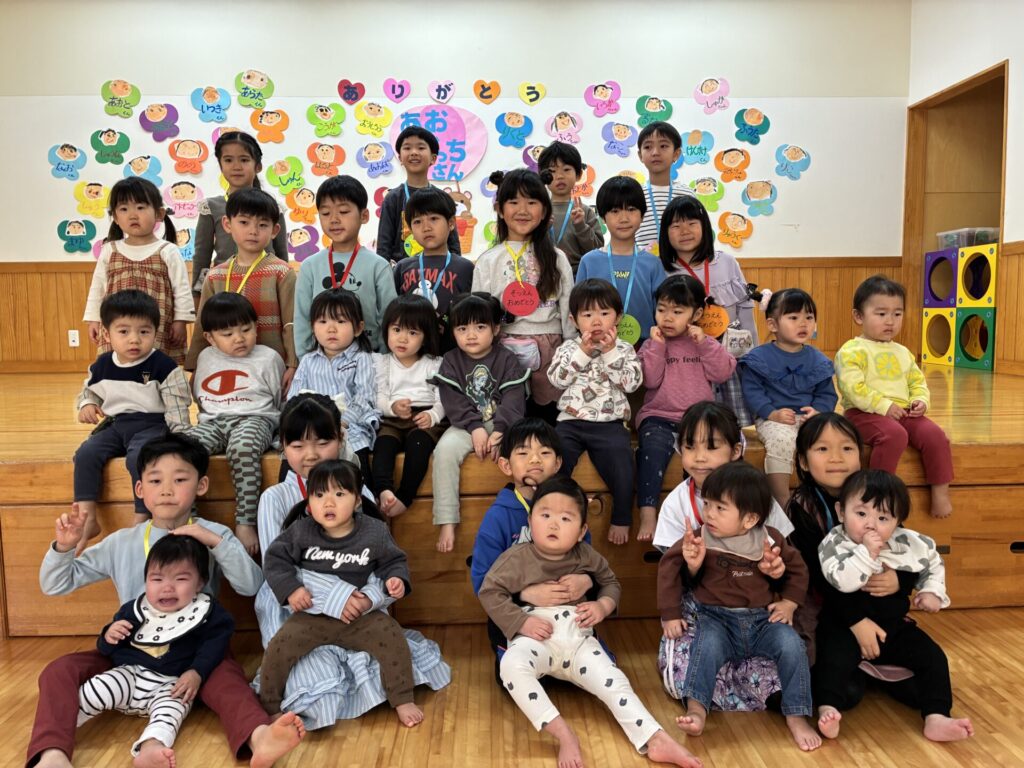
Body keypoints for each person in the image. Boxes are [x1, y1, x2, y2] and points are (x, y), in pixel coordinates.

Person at [29, 434, 304, 768]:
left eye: (180, 479)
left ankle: (259, 738)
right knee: (58, 671)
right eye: (156, 480)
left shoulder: (213, 533)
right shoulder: (121, 542)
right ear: (140, 489)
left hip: (195, 654)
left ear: (201, 485)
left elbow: (251, 586)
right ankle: (52, 754)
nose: (167, 490)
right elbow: (56, 583)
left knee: (229, 680)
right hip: (130, 653)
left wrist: (215, 542)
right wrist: (64, 547)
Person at [254, 395, 449, 729]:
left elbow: (382, 559)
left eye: (323, 442)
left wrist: (370, 597)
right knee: (305, 678)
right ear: (283, 446)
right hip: (302, 608)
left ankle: (400, 697)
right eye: (297, 445)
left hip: (360, 610)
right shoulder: (275, 498)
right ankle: (269, 705)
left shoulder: (361, 495)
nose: (311, 455)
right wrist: (336, 598)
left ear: (341, 438)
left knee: (390, 646)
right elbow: (279, 567)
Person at [479, 476, 702, 768]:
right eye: (545, 515)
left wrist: (602, 605)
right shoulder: (516, 558)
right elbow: (489, 592)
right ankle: (563, 734)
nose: (553, 524)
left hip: (578, 641)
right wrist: (521, 622)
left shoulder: (586, 555)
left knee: (615, 681)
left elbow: (611, 583)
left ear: (582, 530)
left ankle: (655, 738)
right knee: (511, 667)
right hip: (535, 639)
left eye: (565, 518)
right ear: (530, 521)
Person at [657, 462, 821, 751]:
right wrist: (670, 613)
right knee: (705, 648)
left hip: (761, 620)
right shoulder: (700, 536)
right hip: (714, 618)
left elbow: (798, 569)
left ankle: (797, 714)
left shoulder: (769, 539)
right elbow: (669, 568)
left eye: (720, 508)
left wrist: (789, 602)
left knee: (792, 644)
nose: (709, 513)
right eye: (707, 504)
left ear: (749, 519)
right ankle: (697, 708)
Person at [653, 401, 794, 713]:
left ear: (736, 451)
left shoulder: (758, 497)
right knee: (689, 664)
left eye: (712, 446)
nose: (699, 457)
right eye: (690, 446)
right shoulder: (677, 503)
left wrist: (776, 571)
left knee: (781, 658)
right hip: (700, 607)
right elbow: (672, 573)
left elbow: (784, 559)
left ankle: (768, 694)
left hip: (751, 606)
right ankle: (701, 700)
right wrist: (693, 568)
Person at [815, 470, 973, 742]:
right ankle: (827, 708)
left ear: (898, 522)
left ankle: (936, 716)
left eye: (883, 518)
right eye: (861, 514)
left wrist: (932, 591)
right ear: (841, 512)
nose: (871, 525)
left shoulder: (906, 543)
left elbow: (932, 562)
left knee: (933, 656)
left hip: (893, 628)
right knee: (833, 659)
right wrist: (866, 553)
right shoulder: (834, 542)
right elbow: (842, 582)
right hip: (847, 628)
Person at [78, 535, 234, 764]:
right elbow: (106, 650)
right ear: (146, 581)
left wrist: (197, 672)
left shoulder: (209, 613)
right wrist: (108, 636)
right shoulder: (134, 610)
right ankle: (62, 726)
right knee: (96, 688)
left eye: (181, 579)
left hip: (172, 684)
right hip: (129, 675)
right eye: (157, 579)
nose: (167, 588)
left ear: (200, 582)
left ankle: (151, 747)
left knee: (171, 713)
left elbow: (215, 645)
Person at [73, 290, 191, 552]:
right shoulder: (102, 365)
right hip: (116, 425)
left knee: (138, 456)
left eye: (144, 332)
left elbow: (177, 405)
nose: (134, 339)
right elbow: (89, 391)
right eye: (124, 331)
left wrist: (180, 438)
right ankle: (88, 515)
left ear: (155, 333)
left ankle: (142, 514)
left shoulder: (163, 365)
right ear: (107, 334)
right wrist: (87, 404)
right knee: (86, 453)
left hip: (152, 425)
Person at [834, 276, 953, 518]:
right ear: (859, 316)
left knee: (935, 435)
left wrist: (921, 401)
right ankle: (878, 496)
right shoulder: (851, 350)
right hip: (863, 413)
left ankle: (940, 492)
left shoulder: (903, 352)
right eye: (881, 314)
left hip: (903, 411)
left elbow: (917, 382)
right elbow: (852, 388)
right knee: (894, 435)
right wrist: (884, 406)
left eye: (897, 314)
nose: (890, 321)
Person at [635, 276, 736, 541]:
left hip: (698, 421)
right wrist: (657, 347)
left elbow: (723, 372)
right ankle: (648, 512)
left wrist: (705, 343)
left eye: (677, 312)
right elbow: (650, 380)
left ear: (697, 314)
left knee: (704, 458)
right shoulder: (652, 344)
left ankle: (706, 513)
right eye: (661, 310)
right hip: (659, 416)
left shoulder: (705, 342)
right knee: (651, 451)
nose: (667, 318)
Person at [472, 169, 575, 422]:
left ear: (545, 210)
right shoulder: (488, 260)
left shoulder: (557, 258)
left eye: (531, 202)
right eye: (513, 202)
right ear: (499, 208)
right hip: (502, 349)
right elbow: (479, 315)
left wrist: (570, 350)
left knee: (547, 421)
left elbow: (567, 309)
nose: (523, 210)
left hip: (551, 350)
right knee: (507, 421)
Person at [430, 293, 529, 553]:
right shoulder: (451, 360)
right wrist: (474, 427)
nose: (471, 335)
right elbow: (452, 401)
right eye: (462, 329)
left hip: (502, 425)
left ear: (495, 329)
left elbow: (514, 400)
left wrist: (500, 431)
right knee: (444, 451)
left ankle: (527, 515)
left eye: (480, 327)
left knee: (522, 453)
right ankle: (447, 519)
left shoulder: (506, 359)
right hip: (465, 425)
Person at [187, 293, 284, 555]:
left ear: (256, 327)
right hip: (214, 420)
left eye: (246, 330)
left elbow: (279, 398)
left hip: (256, 418)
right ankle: (188, 517)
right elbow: (199, 395)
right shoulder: (205, 357)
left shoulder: (269, 357)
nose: (239, 338)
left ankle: (245, 521)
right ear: (210, 338)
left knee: (241, 448)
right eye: (227, 334)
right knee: (184, 448)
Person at [547, 279, 642, 545]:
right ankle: (555, 512)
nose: (596, 321)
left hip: (610, 424)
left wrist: (610, 354)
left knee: (623, 463)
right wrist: (582, 353)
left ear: (618, 317)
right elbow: (557, 379)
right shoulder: (568, 348)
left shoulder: (624, 349)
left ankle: (621, 517)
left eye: (604, 313)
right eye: (587, 315)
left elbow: (631, 384)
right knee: (555, 459)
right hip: (570, 422)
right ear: (574, 320)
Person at [658, 196, 759, 425]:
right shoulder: (662, 270)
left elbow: (744, 308)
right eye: (676, 225)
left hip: (726, 355)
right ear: (665, 233)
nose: (685, 231)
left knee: (729, 423)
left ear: (704, 226)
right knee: (695, 423)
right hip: (685, 359)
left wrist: (751, 354)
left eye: (692, 223)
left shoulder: (727, 262)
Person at [185, 187, 297, 392]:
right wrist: (195, 366)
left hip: (270, 370)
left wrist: (293, 363)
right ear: (227, 224)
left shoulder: (281, 272)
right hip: (224, 367)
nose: (253, 231)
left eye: (262, 224)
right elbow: (203, 325)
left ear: (274, 231)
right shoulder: (216, 275)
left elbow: (291, 322)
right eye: (244, 222)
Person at [739, 288, 837, 507]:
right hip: (774, 419)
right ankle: (781, 499)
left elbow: (827, 393)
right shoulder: (759, 357)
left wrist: (819, 411)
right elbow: (752, 391)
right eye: (793, 318)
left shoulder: (818, 359)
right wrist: (772, 413)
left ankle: (828, 494)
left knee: (834, 438)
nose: (803, 324)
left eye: (809, 318)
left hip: (810, 419)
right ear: (773, 324)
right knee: (781, 441)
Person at [84, 176, 193, 364]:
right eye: (124, 209)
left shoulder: (168, 250)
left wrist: (180, 321)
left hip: (156, 325)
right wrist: (93, 319)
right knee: (116, 365)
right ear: (115, 217)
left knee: (156, 365)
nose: (133, 215)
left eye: (141, 207)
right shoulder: (110, 250)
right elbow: (98, 288)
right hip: (117, 324)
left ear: (159, 213)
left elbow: (181, 289)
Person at [785, 412, 865, 664]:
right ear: (803, 461)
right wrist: (856, 620)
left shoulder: (875, 496)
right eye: (822, 449)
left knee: (928, 662)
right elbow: (818, 577)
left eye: (847, 448)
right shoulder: (801, 508)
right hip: (822, 601)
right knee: (823, 668)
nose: (836, 458)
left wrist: (897, 581)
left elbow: (903, 548)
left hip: (866, 597)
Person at [295, 176, 397, 353]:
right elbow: (302, 318)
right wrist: (304, 358)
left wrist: (383, 358)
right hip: (322, 360)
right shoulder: (310, 266)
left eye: (343, 211)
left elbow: (388, 317)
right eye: (325, 213)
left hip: (369, 357)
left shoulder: (378, 266)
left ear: (364, 216)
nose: (334, 219)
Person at [288, 289, 379, 486]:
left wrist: (342, 423)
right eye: (322, 321)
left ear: (358, 328)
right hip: (311, 426)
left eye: (340, 321)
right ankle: (293, 499)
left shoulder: (361, 359)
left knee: (356, 450)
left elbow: (365, 398)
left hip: (349, 426)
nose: (331, 329)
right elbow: (293, 399)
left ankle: (363, 498)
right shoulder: (308, 361)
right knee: (292, 454)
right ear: (312, 327)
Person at [371, 295, 446, 517]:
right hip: (392, 419)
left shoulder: (434, 363)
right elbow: (379, 397)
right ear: (386, 329)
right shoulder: (382, 362)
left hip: (424, 419)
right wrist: (392, 407)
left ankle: (405, 496)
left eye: (412, 333)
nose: (402, 339)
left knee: (418, 445)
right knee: (383, 445)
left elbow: (443, 399)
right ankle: (383, 490)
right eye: (396, 330)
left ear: (426, 336)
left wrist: (433, 415)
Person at [192, 130, 289, 299]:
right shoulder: (211, 207)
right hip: (224, 288)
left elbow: (281, 253)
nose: (236, 167)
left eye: (244, 160)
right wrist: (197, 296)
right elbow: (202, 256)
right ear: (221, 165)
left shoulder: (273, 206)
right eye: (228, 160)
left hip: (267, 286)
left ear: (257, 166)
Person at [576, 176, 666, 344]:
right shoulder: (589, 262)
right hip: (598, 346)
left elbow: (662, 310)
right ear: (603, 217)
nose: (624, 218)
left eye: (631, 209)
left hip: (645, 347)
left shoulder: (653, 264)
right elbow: (579, 309)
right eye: (615, 211)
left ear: (642, 215)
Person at [392, 187, 474, 351]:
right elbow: (394, 313)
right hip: (412, 353)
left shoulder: (466, 268)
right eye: (417, 222)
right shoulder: (402, 267)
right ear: (410, 229)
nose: (426, 227)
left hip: (453, 353)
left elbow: (473, 313)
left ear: (451, 223)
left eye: (434, 218)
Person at [376, 126, 462, 263]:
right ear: (400, 158)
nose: (414, 152)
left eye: (421, 148)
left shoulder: (442, 198)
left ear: (433, 158)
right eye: (407, 148)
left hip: (439, 269)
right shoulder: (393, 198)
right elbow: (383, 246)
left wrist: (456, 267)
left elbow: (453, 244)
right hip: (402, 272)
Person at [537, 142, 603, 273]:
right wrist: (542, 229)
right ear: (543, 176)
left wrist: (581, 226)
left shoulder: (584, 211)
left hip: (579, 276)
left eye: (566, 169)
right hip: (544, 274)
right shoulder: (539, 211)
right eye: (552, 171)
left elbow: (597, 251)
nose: (560, 176)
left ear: (578, 175)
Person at [634, 121, 696, 251]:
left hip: (680, 262)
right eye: (648, 147)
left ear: (676, 154)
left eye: (663, 146)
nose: (655, 152)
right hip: (642, 262)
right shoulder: (635, 195)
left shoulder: (687, 194)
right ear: (640, 155)